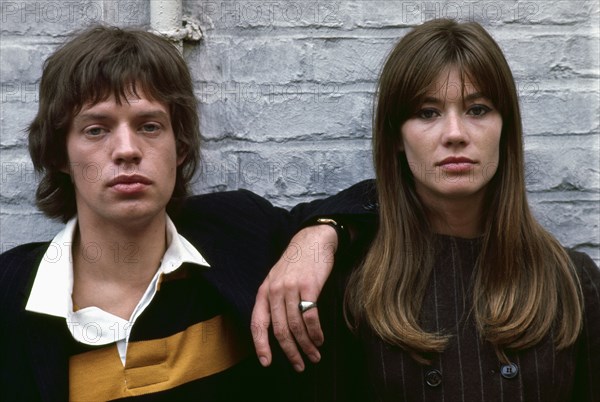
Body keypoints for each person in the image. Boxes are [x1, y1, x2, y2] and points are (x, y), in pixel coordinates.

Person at [0, 25, 368, 401]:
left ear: (180, 146)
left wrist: (319, 235)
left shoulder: (236, 233)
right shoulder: (12, 295)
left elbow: (384, 201)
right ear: (60, 153)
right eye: (96, 130)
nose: (127, 150)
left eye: (150, 126)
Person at [252, 18, 600, 401]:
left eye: (478, 109)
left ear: (506, 128)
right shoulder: (352, 288)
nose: (455, 133)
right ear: (397, 138)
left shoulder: (573, 282)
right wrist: (317, 234)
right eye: (427, 112)